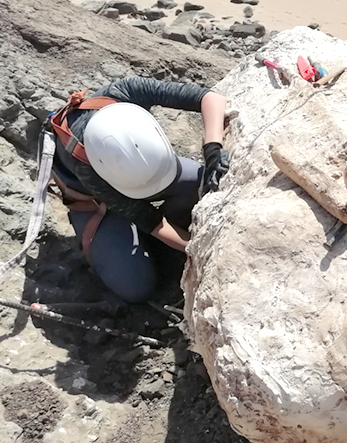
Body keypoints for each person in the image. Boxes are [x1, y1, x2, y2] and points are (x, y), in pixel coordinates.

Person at [47, 77, 229, 303]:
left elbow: (210, 98)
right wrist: (196, 249)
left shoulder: (124, 92)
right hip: (95, 202)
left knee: (199, 182)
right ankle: (137, 248)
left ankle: (166, 241)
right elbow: (148, 219)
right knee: (135, 286)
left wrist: (213, 148)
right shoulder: (85, 163)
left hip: (138, 172)